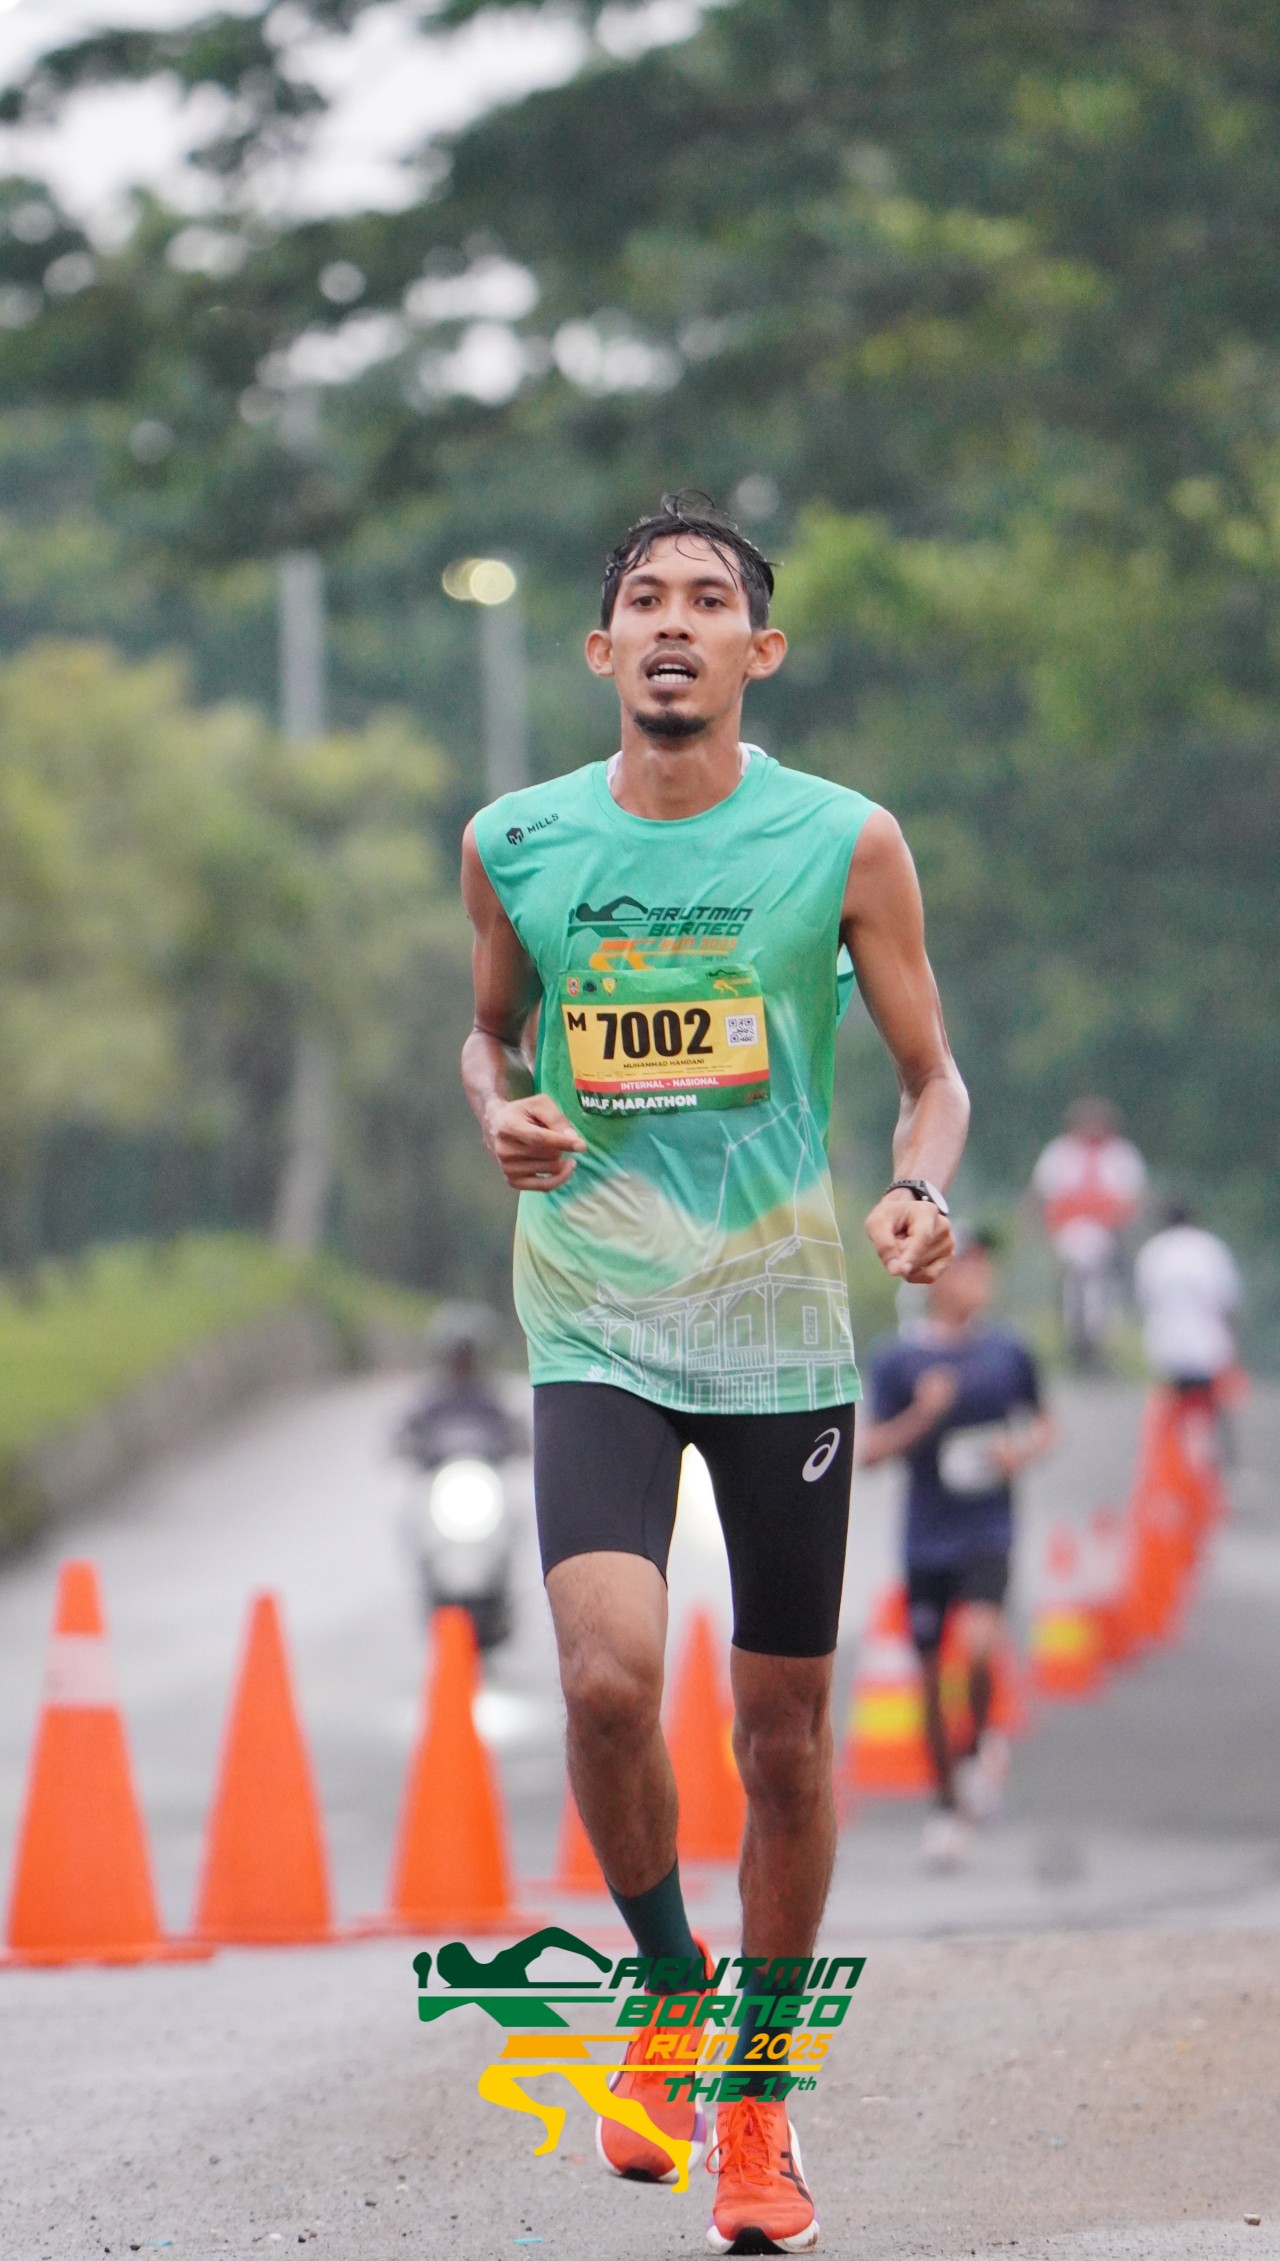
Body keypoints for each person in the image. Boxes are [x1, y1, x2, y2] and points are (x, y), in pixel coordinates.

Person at [460, 494, 968, 2255]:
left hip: (779, 1334)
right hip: (595, 1317)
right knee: (608, 1681)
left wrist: (920, 1193)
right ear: (601, 648)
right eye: (645, 599)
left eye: (710, 599)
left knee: (785, 1739)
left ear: (763, 648)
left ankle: (757, 2100)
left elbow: (931, 1077)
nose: (676, 621)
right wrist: (499, 1108)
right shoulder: (516, 839)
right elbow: (491, 1032)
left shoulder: (843, 840)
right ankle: (671, 1992)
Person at [859, 1230, 1056, 1871]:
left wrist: (1019, 1452)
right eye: (969, 1267)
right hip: (925, 1538)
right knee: (925, 1679)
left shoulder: (1008, 1352)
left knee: (975, 1646)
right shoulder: (899, 1360)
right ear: (936, 1278)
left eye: (986, 1268)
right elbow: (869, 1453)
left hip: (988, 1528)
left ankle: (974, 1753)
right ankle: (945, 1807)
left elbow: (1044, 1424)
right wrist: (924, 1413)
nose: (982, 1279)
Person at [1030, 1098, 1147, 1370]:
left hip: (1107, 1235)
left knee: (1102, 1289)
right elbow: (1044, 1196)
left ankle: (1100, 1342)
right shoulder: (1059, 1153)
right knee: (1074, 1284)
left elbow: (1130, 1202)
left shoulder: (1121, 1155)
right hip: (1069, 1234)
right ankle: (1076, 1339)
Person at [395, 1302, 524, 1467]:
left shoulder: (491, 1399)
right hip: (439, 1473)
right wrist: (408, 1444)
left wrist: (518, 1440)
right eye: (457, 1359)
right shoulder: (431, 1400)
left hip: (484, 1472)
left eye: (467, 1358)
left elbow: (512, 1427)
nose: (462, 1365)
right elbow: (410, 1429)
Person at [1134, 1202, 1241, 1397]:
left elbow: (1144, 1300)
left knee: (1172, 1400)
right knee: (1212, 1399)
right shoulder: (1209, 1248)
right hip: (1208, 1345)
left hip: (1165, 1346)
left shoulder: (1154, 1250)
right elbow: (1227, 1300)